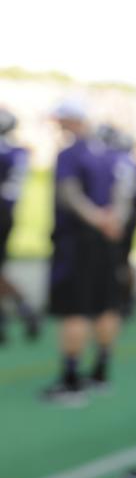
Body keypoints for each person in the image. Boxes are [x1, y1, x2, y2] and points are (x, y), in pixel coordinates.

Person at [42, 98, 123, 404]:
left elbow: (69, 194)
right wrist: (112, 220)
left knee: (73, 309)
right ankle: (100, 372)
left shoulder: (70, 153)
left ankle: (72, 380)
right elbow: (121, 192)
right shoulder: (109, 154)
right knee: (105, 305)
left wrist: (97, 219)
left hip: (77, 239)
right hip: (105, 238)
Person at [0, 107, 40, 343]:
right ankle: (18, 312)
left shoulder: (6, 151)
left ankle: (23, 311)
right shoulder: (18, 151)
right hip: (8, 213)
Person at [97, 124, 136, 318]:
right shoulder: (132, 163)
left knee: (116, 261)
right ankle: (127, 299)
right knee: (124, 261)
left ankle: (119, 298)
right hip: (130, 217)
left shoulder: (116, 162)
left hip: (120, 217)